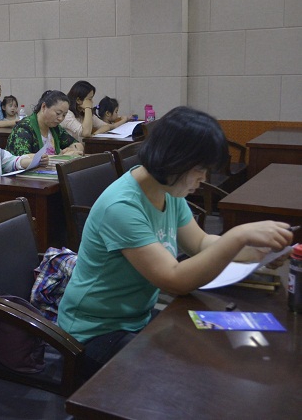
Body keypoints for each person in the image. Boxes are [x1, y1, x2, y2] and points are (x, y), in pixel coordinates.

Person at [57, 106, 293, 379]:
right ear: (173, 161)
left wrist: (254, 251)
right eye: (199, 169)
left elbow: (200, 243)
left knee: (213, 350)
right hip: (93, 333)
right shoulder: (122, 206)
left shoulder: (168, 191)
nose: (203, 178)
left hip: (137, 318)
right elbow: (174, 280)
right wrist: (237, 237)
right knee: (185, 373)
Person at [5, 90, 84, 157]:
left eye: (64, 115)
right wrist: (62, 157)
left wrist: (73, 149)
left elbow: (78, 144)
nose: (60, 118)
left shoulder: (55, 128)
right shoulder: (23, 128)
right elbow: (23, 158)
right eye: (58, 113)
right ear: (43, 107)